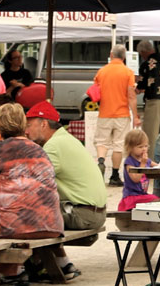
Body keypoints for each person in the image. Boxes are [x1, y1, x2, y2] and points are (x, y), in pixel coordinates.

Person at [0, 103, 62, 286]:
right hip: (51, 224)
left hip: (16, 226)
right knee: (11, 211)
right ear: (24, 125)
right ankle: (9, 271)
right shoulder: (40, 149)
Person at [23, 100, 108, 239]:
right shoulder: (66, 139)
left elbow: (33, 181)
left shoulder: (54, 145)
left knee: (20, 216)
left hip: (82, 214)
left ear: (43, 124)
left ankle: (31, 259)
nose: (26, 131)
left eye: (29, 125)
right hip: (94, 213)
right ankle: (58, 260)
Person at [94, 46, 138, 183]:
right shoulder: (128, 72)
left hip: (104, 113)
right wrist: (135, 116)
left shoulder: (102, 71)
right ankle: (114, 175)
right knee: (118, 145)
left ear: (111, 54)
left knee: (102, 142)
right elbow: (131, 96)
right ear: (124, 57)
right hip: (122, 114)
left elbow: (95, 91)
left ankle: (101, 161)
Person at [135, 40, 160, 144]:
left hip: (154, 101)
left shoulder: (147, 64)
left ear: (143, 52)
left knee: (151, 134)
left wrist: (137, 87)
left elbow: (141, 85)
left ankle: (150, 158)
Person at [119, 129, 158, 207]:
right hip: (132, 196)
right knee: (156, 201)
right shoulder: (129, 162)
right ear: (130, 148)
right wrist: (143, 164)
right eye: (140, 147)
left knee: (159, 200)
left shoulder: (146, 160)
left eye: (146, 146)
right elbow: (136, 179)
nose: (144, 149)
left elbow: (158, 167)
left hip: (142, 194)